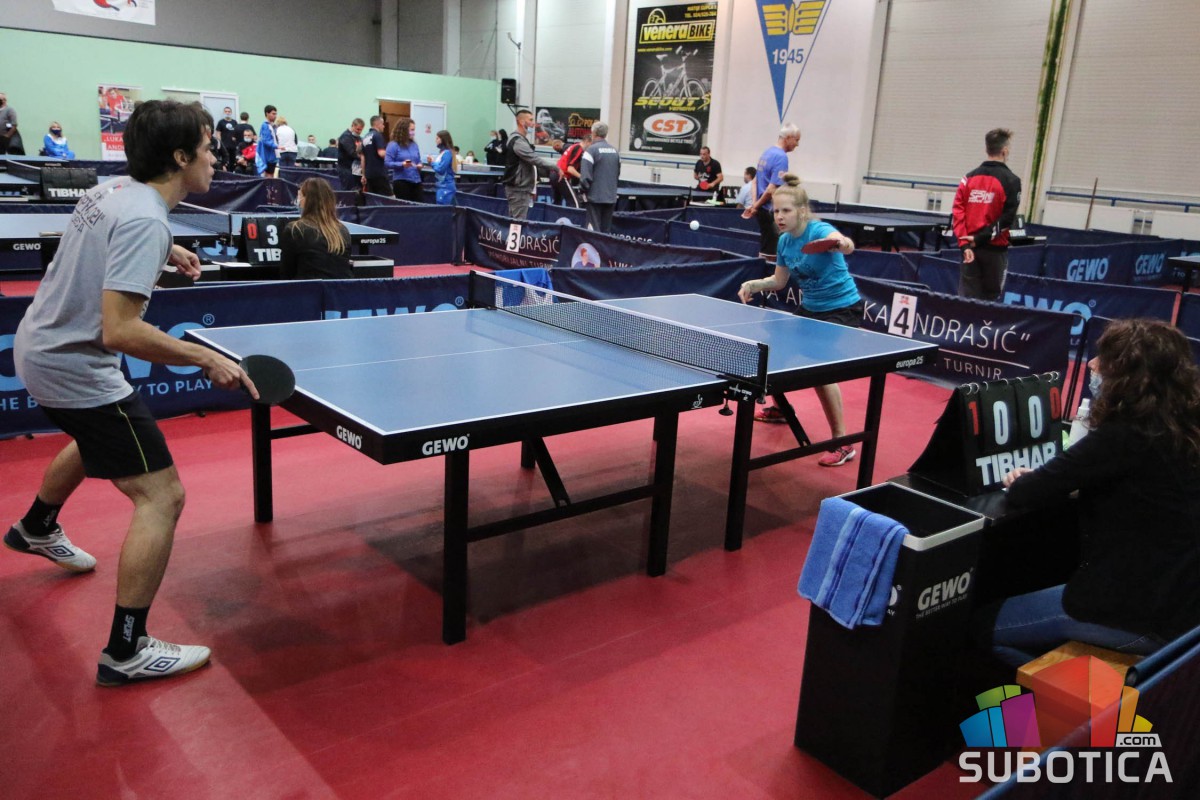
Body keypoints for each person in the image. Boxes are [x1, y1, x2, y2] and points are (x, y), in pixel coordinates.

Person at [6, 99, 256, 686]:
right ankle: (127, 648)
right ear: (180, 157)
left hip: (39, 347)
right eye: (207, 148)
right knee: (162, 497)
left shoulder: (114, 190)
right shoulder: (147, 219)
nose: (215, 158)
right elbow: (120, 331)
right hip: (74, 366)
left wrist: (167, 249)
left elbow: (113, 239)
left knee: (97, 436)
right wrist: (206, 357)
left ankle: (36, 527)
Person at [975, 319, 1200, 667]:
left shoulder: (1127, 435)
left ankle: (1059, 699)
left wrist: (1026, 479)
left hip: (1139, 613)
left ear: (1126, 376)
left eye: (1103, 359)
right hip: (1184, 609)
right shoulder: (1185, 427)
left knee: (979, 627)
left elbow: (1026, 492)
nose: (1092, 365)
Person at [737, 174, 860, 467]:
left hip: (842, 308)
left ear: (802, 211)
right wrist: (753, 285)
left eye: (786, 211)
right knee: (774, 354)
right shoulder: (784, 242)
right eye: (776, 211)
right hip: (811, 308)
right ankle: (781, 409)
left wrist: (841, 242)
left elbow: (847, 246)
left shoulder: (818, 230)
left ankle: (842, 442)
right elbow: (779, 281)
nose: (779, 216)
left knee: (820, 371)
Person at [952, 128, 1022, 301]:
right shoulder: (1012, 181)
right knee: (991, 302)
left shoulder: (968, 178)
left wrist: (965, 245)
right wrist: (980, 239)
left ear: (986, 149)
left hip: (970, 250)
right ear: (1004, 151)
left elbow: (957, 214)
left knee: (967, 301)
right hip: (994, 253)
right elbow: (1007, 219)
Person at [743, 122, 802, 263]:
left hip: (762, 210)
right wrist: (756, 206)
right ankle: (767, 275)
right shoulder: (781, 157)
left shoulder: (767, 152)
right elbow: (771, 189)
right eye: (796, 140)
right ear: (788, 137)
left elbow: (755, 182)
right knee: (771, 253)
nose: (797, 144)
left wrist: (754, 205)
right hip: (770, 211)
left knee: (765, 247)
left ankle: (762, 274)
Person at [279, 178, 353, 280]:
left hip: (308, 289)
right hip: (341, 289)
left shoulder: (295, 230)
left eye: (300, 196)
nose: (299, 200)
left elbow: (286, 273)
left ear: (306, 200)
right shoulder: (343, 230)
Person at [501, 110, 558, 220]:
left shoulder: (521, 140)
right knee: (518, 222)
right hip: (519, 189)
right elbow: (534, 159)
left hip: (521, 188)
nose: (533, 123)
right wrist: (555, 167)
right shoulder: (518, 141)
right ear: (522, 122)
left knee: (515, 221)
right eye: (531, 120)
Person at [579, 122, 620, 233]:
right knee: (606, 231)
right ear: (605, 134)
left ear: (593, 133)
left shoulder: (590, 151)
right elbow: (617, 174)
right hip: (610, 197)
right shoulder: (615, 151)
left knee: (593, 231)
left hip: (594, 198)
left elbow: (585, 177)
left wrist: (582, 191)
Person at [383, 116, 420, 201]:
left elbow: (418, 160)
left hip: (416, 180)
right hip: (401, 181)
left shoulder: (414, 145)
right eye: (411, 130)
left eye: (414, 130)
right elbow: (387, 163)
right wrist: (401, 164)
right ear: (404, 130)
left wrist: (419, 165)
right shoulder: (393, 145)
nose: (413, 132)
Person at [554, 133, 591, 207]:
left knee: (557, 203)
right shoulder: (579, 148)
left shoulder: (574, 146)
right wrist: (582, 177)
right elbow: (570, 169)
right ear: (587, 141)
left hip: (554, 174)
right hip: (561, 175)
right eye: (592, 144)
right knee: (575, 204)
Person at [359, 115, 391, 196]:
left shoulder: (365, 137)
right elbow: (381, 153)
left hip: (369, 175)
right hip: (379, 174)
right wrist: (393, 156)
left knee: (374, 198)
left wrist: (363, 175)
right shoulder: (377, 135)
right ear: (378, 124)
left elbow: (362, 158)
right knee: (389, 198)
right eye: (382, 124)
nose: (384, 126)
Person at [426, 129, 456, 206]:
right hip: (441, 185)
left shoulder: (447, 153)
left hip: (446, 186)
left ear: (443, 139)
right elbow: (439, 166)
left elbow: (441, 169)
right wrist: (432, 162)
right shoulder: (442, 153)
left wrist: (432, 163)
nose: (435, 140)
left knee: (443, 209)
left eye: (437, 138)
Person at [336, 118, 364, 191]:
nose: (359, 132)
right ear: (352, 126)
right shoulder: (345, 137)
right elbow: (352, 153)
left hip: (356, 169)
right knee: (348, 190)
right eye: (358, 129)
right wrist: (364, 157)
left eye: (361, 130)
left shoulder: (358, 137)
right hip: (346, 169)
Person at [255, 105, 278, 177]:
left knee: (272, 174)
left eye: (276, 114)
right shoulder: (265, 125)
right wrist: (276, 146)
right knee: (268, 175)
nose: (275, 116)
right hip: (267, 155)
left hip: (273, 154)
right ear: (267, 113)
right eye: (273, 114)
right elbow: (265, 140)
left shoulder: (274, 126)